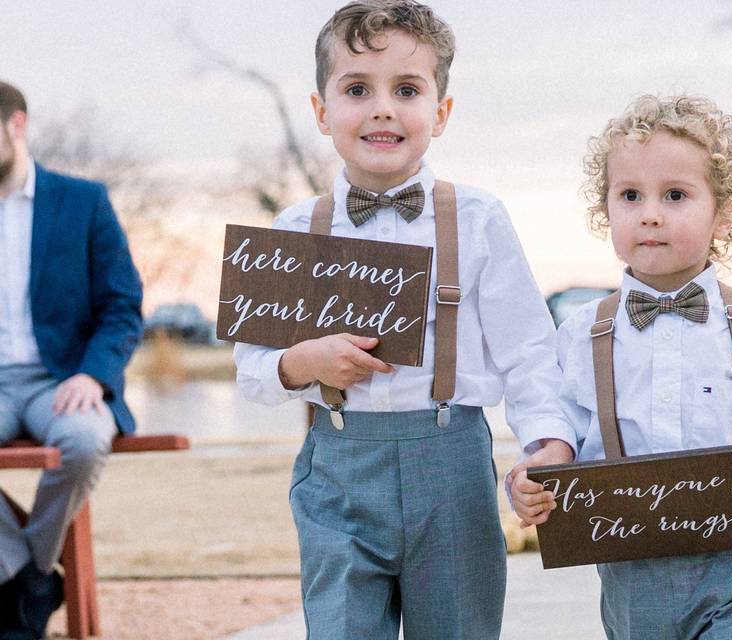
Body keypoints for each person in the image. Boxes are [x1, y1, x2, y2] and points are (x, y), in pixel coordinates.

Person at [232, 2, 576, 638]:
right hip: (336, 467)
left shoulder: (478, 219)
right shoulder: (292, 229)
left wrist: (549, 443)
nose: (382, 108)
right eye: (357, 89)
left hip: (452, 466)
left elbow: (530, 351)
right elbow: (252, 373)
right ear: (321, 110)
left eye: (408, 90)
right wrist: (304, 362)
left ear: (441, 113)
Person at [510, 95, 732, 639]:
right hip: (627, 566)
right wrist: (538, 472)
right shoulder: (579, 333)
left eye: (675, 195)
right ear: (606, 210)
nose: (650, 213)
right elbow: (555, 425)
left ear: (724, 211)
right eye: (630, 196)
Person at [0, 81, 143, 639]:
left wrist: (93, 372)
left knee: (84, 442)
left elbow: (123, 305)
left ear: (17, 125)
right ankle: (26, 577)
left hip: (62, 379)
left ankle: (31, 572)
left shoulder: (83, 202)